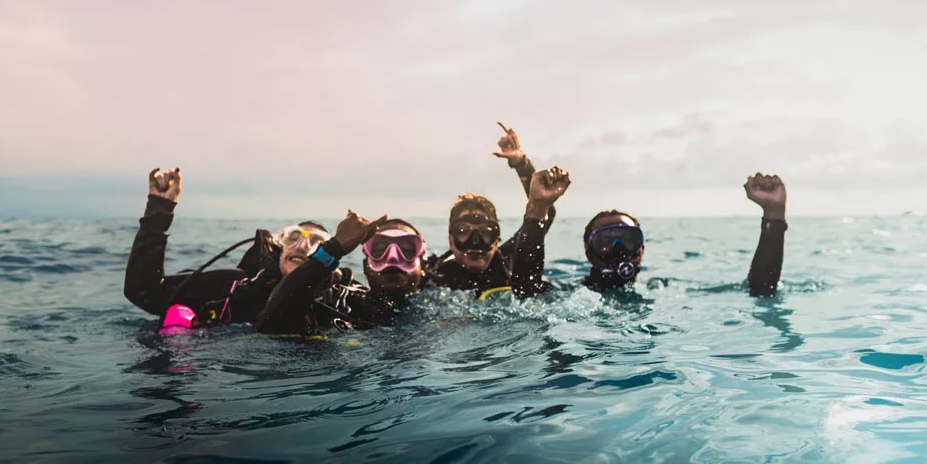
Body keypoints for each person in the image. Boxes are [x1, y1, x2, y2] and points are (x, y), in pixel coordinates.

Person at [124, 167, 335, 330]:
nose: (301, 246)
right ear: (280, 248)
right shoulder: (236, 285)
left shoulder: (338, 301)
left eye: (316, 242)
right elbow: (145, 293)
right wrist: (158, 211)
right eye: (293, 237)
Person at [581, 173, 788, 296]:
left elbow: (760, 291)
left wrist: (773, 215)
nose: (619, 249)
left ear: (641, 251)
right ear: (590, 254)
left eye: (629, 240)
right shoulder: (569, 294)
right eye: (606, 241)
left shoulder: (658, 289)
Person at [254, 215, 439, 335]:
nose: (392, 258)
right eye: (379, 249)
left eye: (407, 249)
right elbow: (268, 327)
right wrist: (333, 249)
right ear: (366, 265)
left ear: (422, 262)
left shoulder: (443, 304)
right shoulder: (343, 303)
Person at [426, 166, 570, 299]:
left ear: (496, 240)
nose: (475, 242)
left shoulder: (507, 259)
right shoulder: (434, 279)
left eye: (485, 232)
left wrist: (522, 165)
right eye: (463, 232)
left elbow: (544, 215)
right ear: (451, 241)